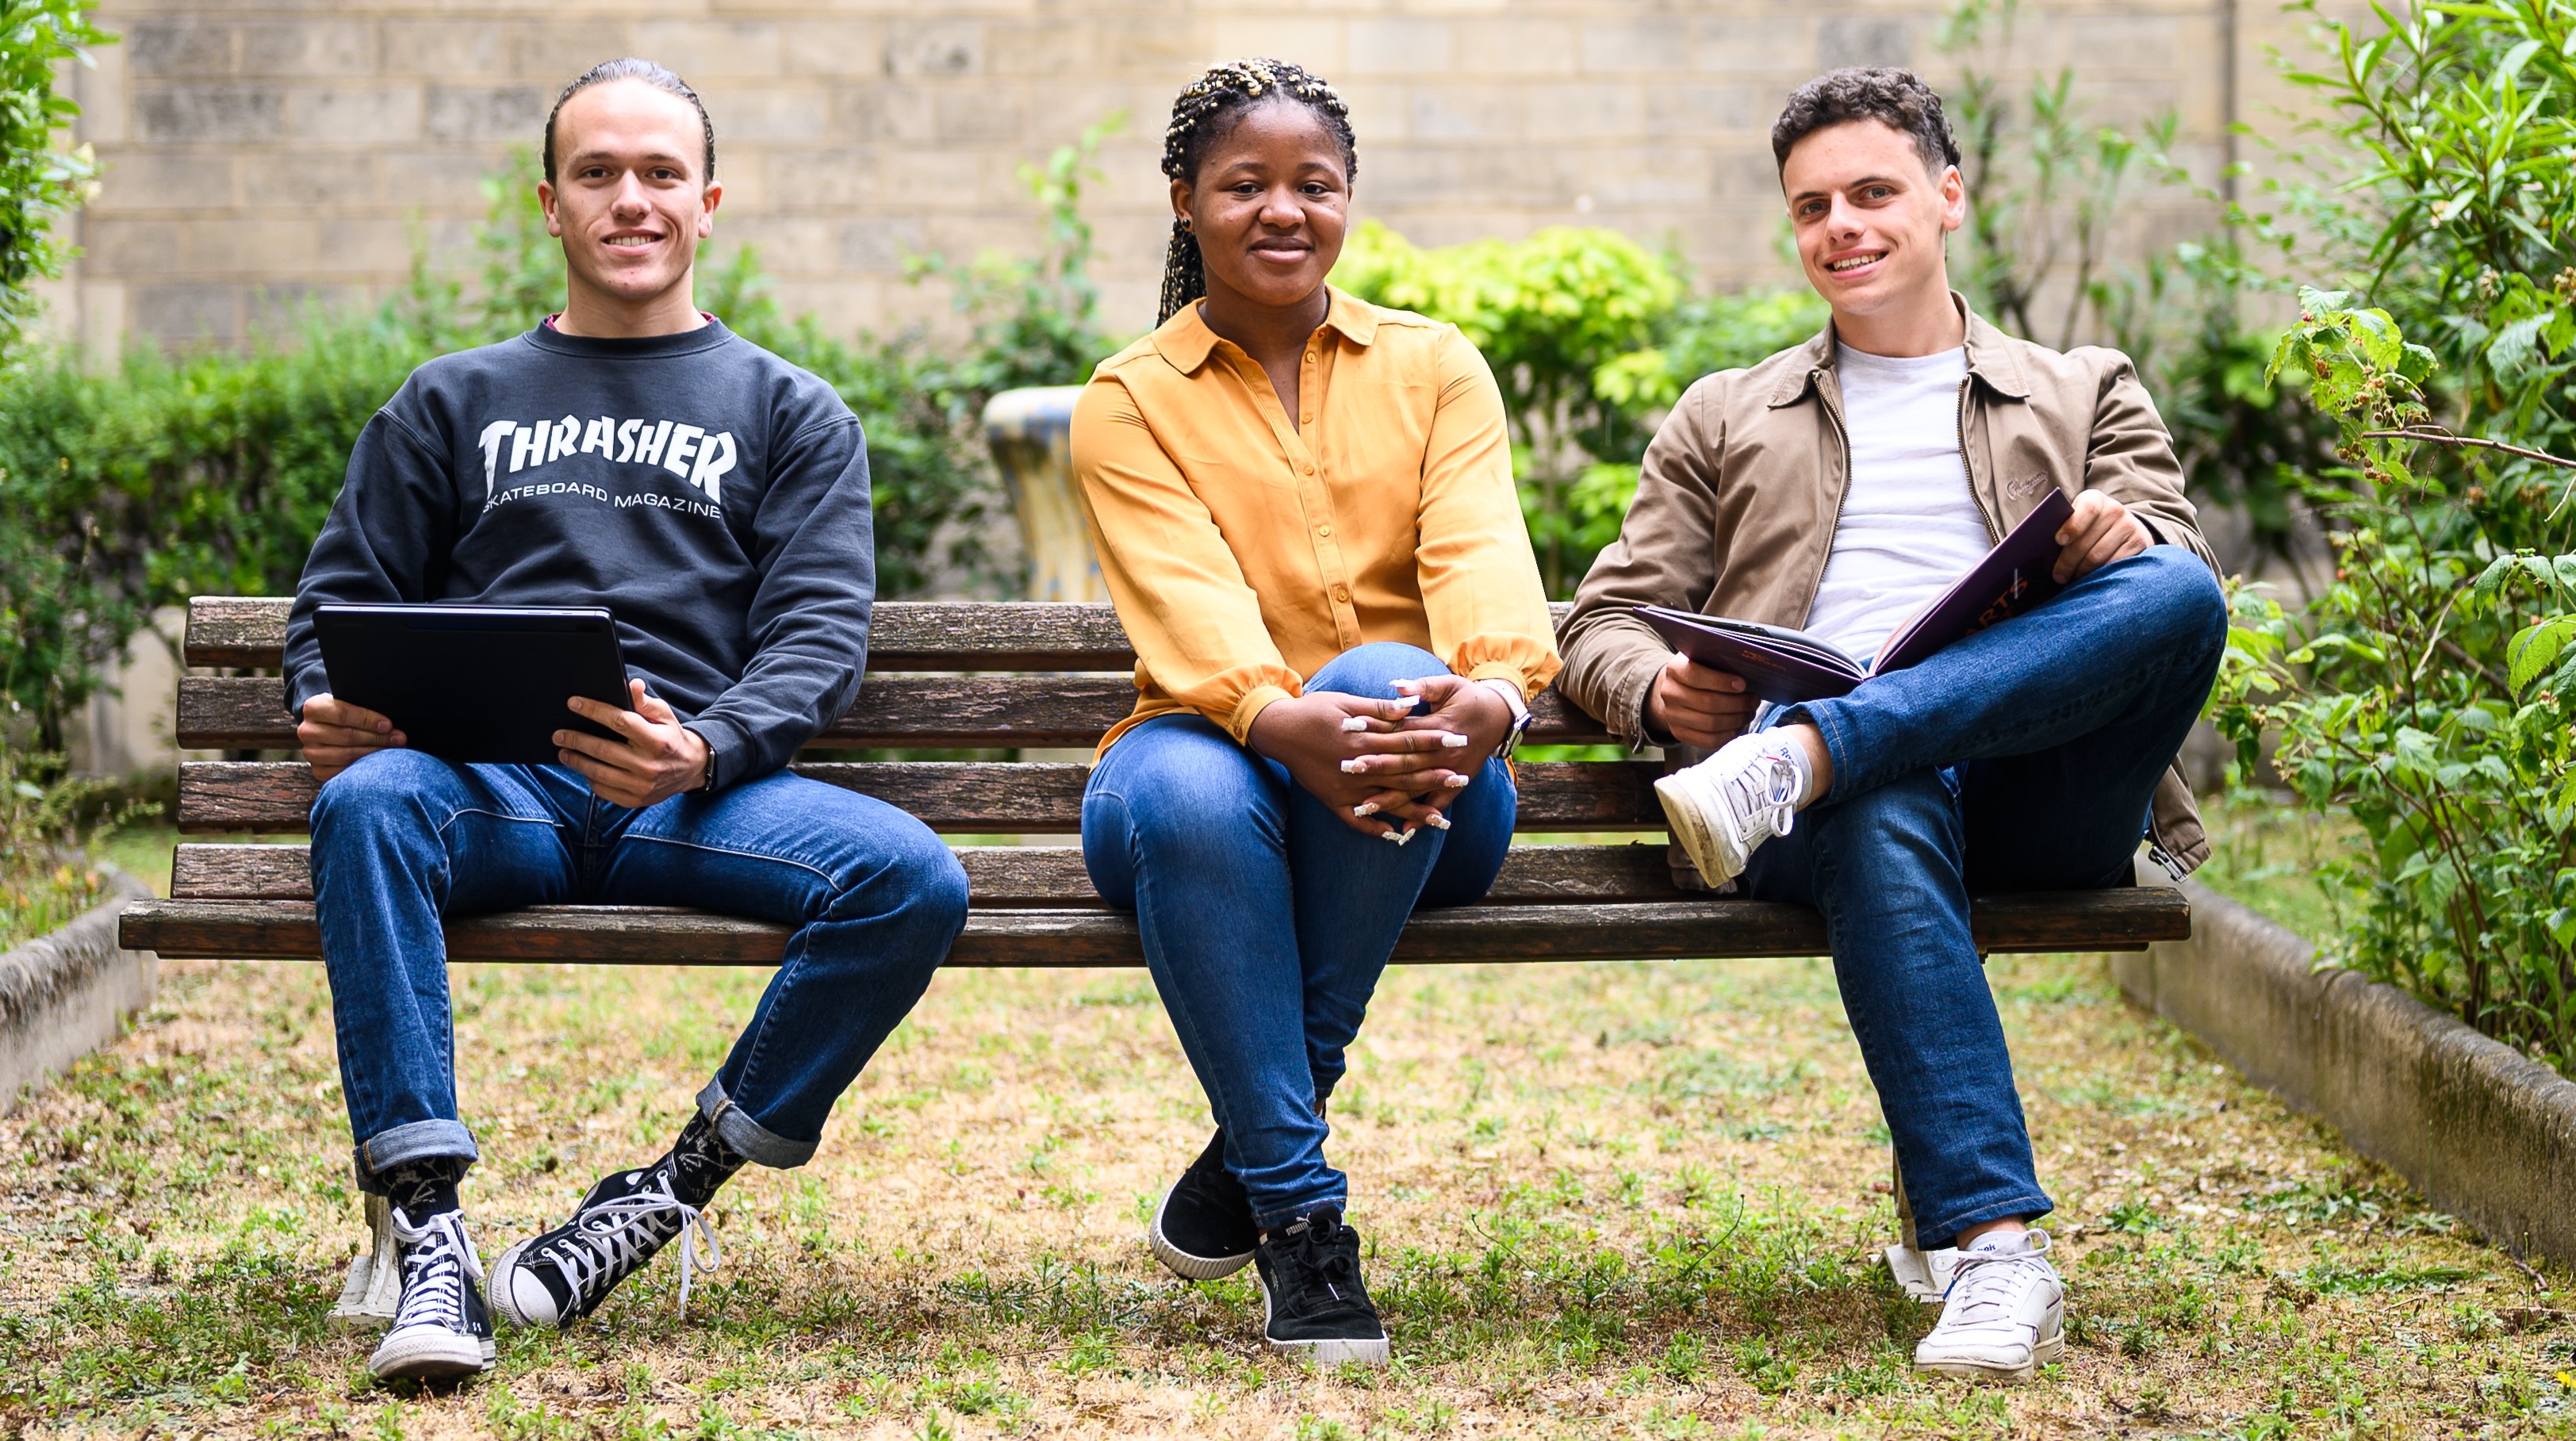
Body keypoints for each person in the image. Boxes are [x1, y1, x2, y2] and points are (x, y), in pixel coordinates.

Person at [283, 58, 968, 1382]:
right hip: (496, 791)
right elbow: (339, 599)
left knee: (914, 879)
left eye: (661, 174)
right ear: (549, 204)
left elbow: (822, 637)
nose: (631, 199)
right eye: (598, 173)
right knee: (369, 802)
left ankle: (664, 1193)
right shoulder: (451, 400)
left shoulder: (791, 411)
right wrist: (334, 705)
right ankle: (431, 1239)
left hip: (697, 797)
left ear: (709, 202)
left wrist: (704, 747)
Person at [1554, 68, 2226, 1383]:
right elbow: (1603, 622)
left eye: (1873, 191)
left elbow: (2176, 580)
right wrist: (1654, 692)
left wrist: (2117, 538)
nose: (1842, 227)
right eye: (1813, 207)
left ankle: (1814, 749)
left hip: (2036, 789)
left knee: (2177, 588)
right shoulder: (1726, 411)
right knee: (1878, 790)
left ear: (1948, 195)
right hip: (1835, 819)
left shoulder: (2083, 386)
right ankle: (1991, 1251)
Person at [1068, 58, 1560, 1366]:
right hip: (1201, 773)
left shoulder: (1437, 367)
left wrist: (1496, 698)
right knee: (1188, 782)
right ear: (1185, 201)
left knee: (1373, 680)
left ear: (1349, 199)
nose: (1282, 210)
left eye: (1313, 184)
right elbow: (1187, 604)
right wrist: (1280, 723)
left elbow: (1479, 551)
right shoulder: (1130, 399)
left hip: (1431, 783)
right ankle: (1295, 1215)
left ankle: (1254, 1141)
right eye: (1244, 184)